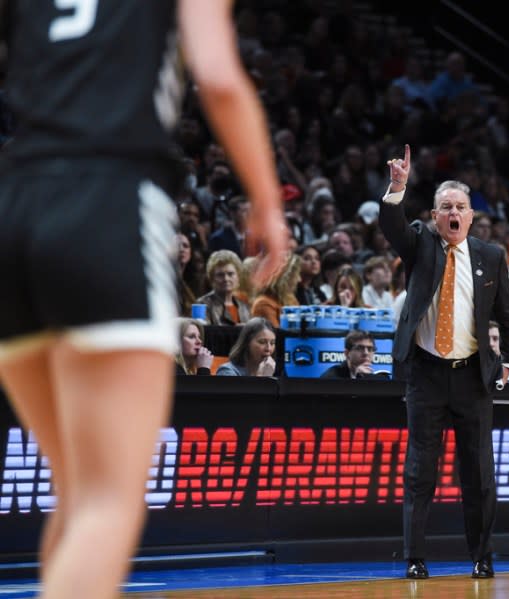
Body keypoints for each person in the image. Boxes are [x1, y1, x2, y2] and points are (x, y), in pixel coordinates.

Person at [0, 2, 287, 598]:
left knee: (81, 496)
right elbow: (218, 73)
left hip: (15, 210)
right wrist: (267, 199)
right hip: (107, 202)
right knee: (110, 499)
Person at [380, 145, 509, 580]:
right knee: (420, 471)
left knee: (478, 474)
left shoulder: (491, 256)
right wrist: (397, 188)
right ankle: (415, 557)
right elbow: (393, 227)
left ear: (471, 216)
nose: (453, 213)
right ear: (435, 214)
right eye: (446, 207)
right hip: (426, 374)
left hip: (473, 377)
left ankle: (482, 556)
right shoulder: (420, 241)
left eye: (460, 207)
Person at [197, 249, 252, 326]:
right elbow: (202, 334)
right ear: (212, 278)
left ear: (238, 277)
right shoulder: (201, 305)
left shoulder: (244, 306)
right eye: (220, 275)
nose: (226, 279)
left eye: (230, 274)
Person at [320, 330, 389, 380]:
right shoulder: (332, 376)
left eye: (370, 349)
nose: (366, 353)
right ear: (347, 353)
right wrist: (357, 377)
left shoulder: (380, 379)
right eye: (360, 348)